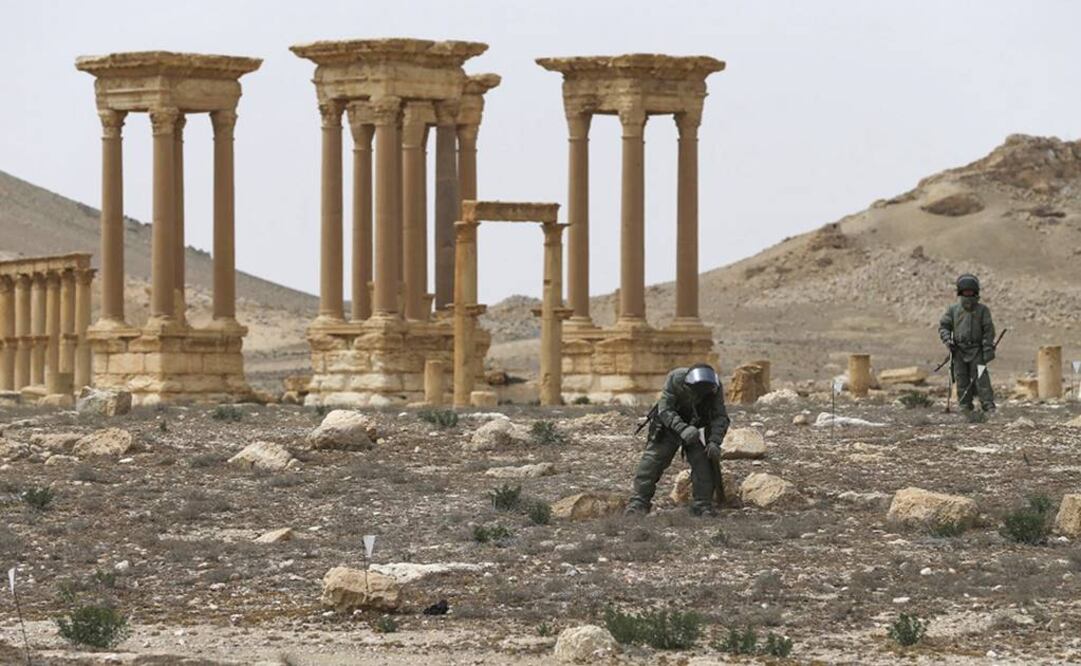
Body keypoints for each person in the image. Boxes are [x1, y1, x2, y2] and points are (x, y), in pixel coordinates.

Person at [626, 363, 731, 516]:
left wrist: (715, 441)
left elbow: (720, 416)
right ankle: (638, 503)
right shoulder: (676, 378)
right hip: (669, 426)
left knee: (704, 465)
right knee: (652, 462)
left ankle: (702, 506)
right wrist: (682, 429)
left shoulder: (714, 386)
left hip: (698, 428)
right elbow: (665, 409)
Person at [938, 274, 996, 412]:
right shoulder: (953, 310)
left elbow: (988, 330)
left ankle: (987, 404)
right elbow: (944, 326)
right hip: (958, 351)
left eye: (970, 292)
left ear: (975, 292)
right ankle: (965, 405)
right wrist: (948, 340)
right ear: (960, 292)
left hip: (977, 351)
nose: (968, 295)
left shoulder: (982, 310)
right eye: (965, 292)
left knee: (981, 378)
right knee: (961, 379)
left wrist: (987, 348)